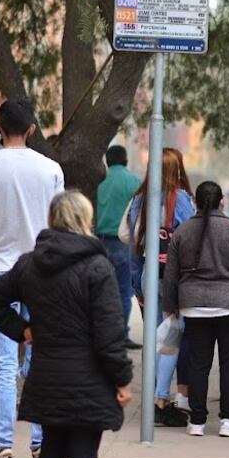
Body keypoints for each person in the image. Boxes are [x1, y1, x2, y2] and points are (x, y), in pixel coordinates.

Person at [0, 191, 133, 458]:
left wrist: (22, 330)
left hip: (46, 376)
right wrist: (121, 379)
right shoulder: (97, 266)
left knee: (50, 453)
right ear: (85, 220)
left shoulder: (30, 264)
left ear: (52, 219)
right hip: (89, 379)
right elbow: (109, 332)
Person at [0, 99, 64, 458]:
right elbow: (59, 225)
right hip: (44, 271)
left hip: (1, 271)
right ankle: (41, 448)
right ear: (32, 129)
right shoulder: (51, 169)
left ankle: (1, 448)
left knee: (4, 363)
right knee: (39, 362)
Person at [163, 181, 229, 438]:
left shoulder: (183, 232)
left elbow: (171, 274)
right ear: (222, 201)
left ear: (196, 202)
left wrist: (171, 305)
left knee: (198, 364)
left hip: (193, 306)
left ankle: (197, 421)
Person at [125, 147, 195, 426]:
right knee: (171, 339)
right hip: (173, 277)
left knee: (155, 339)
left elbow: (133, 245)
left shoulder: (138, 200)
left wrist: (137, 285)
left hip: (148, 273)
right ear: (176, 170)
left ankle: (154, 398)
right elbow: (191, 238)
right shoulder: (182, 199)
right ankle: (160, 399)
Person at [95, 145, 141, 349]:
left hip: (101, 242)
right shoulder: (133, 182)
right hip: (123, 243)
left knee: (102, 291)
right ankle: (121, 335)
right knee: (123, 291)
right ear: (126, 160)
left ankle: (103, 335)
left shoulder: (101, 183)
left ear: (108, 161)